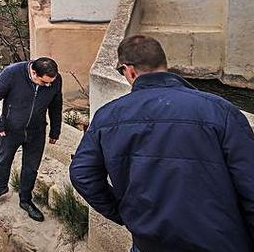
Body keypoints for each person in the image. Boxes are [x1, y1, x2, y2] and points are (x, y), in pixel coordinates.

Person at [70, 35, 254, 252]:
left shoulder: (107, 116)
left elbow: (82, 174)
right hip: (221, 241)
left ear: (129, 70)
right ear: (164, 65)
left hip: (150, 241)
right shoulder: (220, 110)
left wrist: (123, 213)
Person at [0, 57, 63, 222]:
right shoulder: (12, 73)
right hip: (10, 130)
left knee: (31, 168)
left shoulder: (55, 80)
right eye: (44, 82)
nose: (48, 86)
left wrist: (55, 130)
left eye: (51, 82)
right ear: (34, 73)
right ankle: (0, 188)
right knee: (3, 161)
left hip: (37, 131)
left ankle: (25, 200)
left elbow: (56, 105)